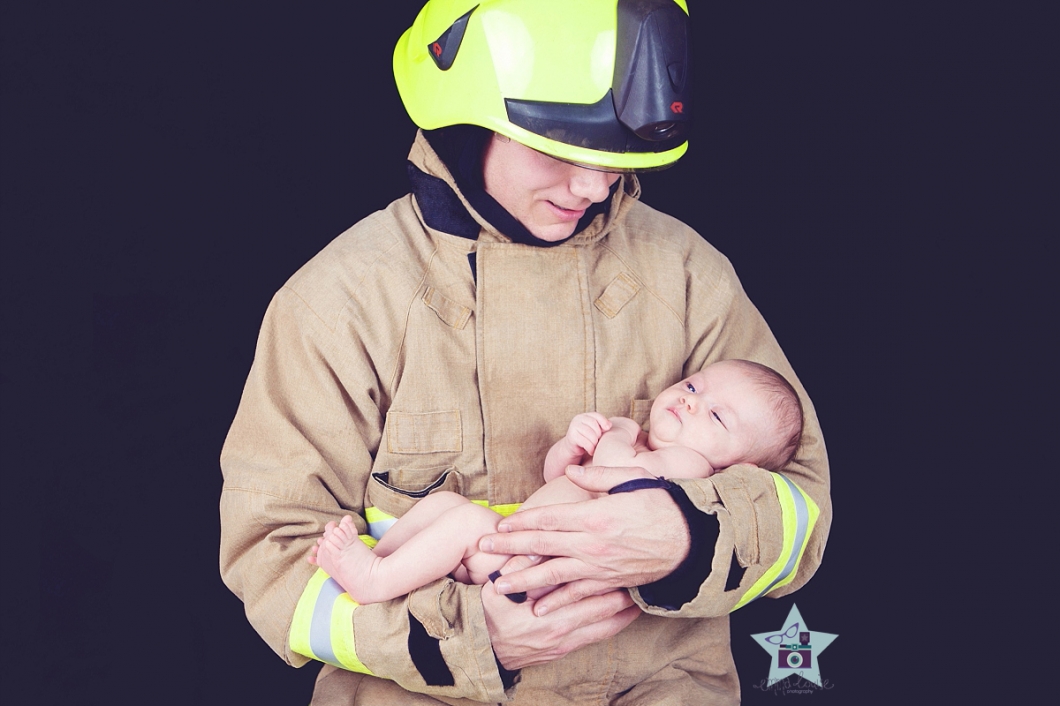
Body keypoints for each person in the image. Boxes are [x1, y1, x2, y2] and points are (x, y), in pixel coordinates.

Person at [219, 1, 831, 704]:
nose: (594, 185)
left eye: (611, 156)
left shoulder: (689, 275)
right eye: (560, 147)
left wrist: (690, 535)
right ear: (466, 122)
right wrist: (462, 637)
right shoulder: (341, 302)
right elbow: (273, 558)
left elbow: (802, 503)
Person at [308, 359, 804, 606]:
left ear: (738, 465)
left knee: (460, 522)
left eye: (716, 416)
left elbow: (618, 484)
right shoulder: (650, 445)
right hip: (522, 534)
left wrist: (617, 433)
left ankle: (374, 583)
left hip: (536, 566)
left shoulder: (692, 470)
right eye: (694, 386)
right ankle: (379, 557)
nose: (691, 400)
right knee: (443, 504)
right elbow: (560, 478)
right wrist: (569, 447)